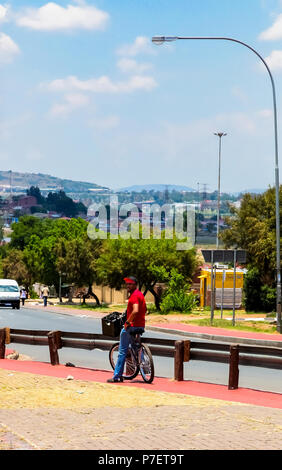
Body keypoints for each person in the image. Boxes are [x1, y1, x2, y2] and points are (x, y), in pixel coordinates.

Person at [107, 276, 147, 383]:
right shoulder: (140, 295)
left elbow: (135, 310)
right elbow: (145, 310)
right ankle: (143, 366)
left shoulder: (134, 296)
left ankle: (117, 376)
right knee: (136, 347)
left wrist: (128, 322)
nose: (128, 286)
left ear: (135, 285)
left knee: (122, 351)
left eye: (130, 284)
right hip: (141, 326)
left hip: (131, 326)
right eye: (127, 284)